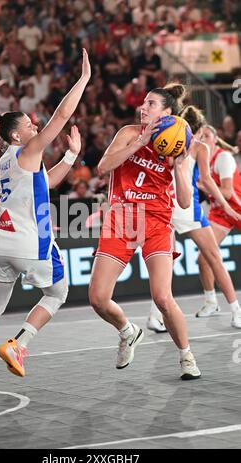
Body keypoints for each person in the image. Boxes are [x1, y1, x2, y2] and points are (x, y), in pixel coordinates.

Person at [0, 49, 91, 388]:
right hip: (31, 242)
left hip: (0, 242)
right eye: (31, 126)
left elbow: (47, 181)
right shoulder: (28, 151)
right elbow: (59, 118)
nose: (37, 127)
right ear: (17, 136)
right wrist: (84, 79)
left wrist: (72, 155)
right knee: (57, 294)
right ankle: (18, 344)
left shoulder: (5, 162)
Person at [89, 83, 201, 380]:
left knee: (163, 298)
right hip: (121, 218)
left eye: (151, 104)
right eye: (143, 103)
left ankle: (186, 356)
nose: (143, 107)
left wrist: (178, 168)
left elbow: (186, 201)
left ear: (166, 112)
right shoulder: (128, 133)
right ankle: (128, 331)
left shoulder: (179, 144)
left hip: (156, 221)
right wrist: (140, 142)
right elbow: (102, 167)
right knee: (98, 299)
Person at [147, 107, 241, 333]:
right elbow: (207, 181)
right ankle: (236, 311)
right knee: (214, 259)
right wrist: (228, 207)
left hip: (165, 206)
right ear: (197, 130)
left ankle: (154, 316)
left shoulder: (164, 140)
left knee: (164, 265)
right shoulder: (199, 147)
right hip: (187, 207)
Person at [196, 125, 241, 318]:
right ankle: (211, 301)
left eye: (207, 135)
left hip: (236, 207)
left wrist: (201, 185)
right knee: (203, 258)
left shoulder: (223, 158)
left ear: (215, 139)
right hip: (220, 212)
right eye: (200, 136)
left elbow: (227, 192)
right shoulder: (200, 162)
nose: (203, 138)